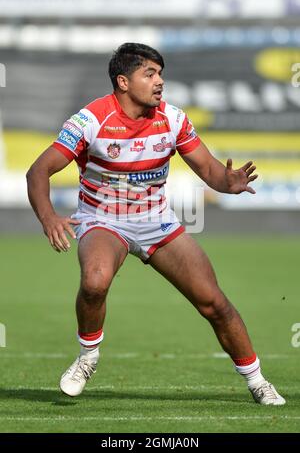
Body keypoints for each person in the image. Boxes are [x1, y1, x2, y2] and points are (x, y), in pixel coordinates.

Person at [26, 42, 285, 405]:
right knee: (94, 283)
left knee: (214, 303)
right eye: (149, 74)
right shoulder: (90, 120)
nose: (159, 81)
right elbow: (38, 171)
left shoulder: (173, 119)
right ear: (123, 82)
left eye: (160, 73)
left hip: (156, 221)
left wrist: (230, 183)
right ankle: (88, 356)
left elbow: (210, 171)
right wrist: (48, 217)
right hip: (103, 220)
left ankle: (258, 382)